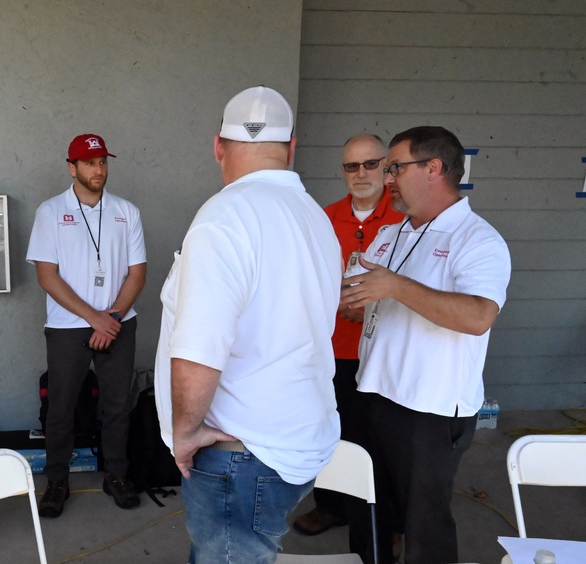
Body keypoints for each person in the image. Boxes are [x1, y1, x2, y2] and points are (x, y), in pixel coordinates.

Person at [154, 86, 343, 563]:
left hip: (240, 452)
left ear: (218, 145)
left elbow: (200, 346)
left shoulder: (224, 218)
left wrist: (186, 432)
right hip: (292, 442)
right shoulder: (315, 218)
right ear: (292, 147)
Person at [341, 126, 511, 563]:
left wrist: (395, 286)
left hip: (429, 409)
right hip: (375, 391)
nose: (388, 178)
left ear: (433, 168)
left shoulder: (477, 239)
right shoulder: (394, 233)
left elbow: (477, 317)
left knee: (424, 524)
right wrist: (352, 302)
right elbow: (369, 301)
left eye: (394, 167)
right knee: (371, 503)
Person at [26, 133, 147, 518]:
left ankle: (116, 475)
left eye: (103, 162)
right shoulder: (50, 211)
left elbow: (137, 274)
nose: (98, 169)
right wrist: (94, 317)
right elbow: (47, 275)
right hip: (68, 327)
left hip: (118, 324)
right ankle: (57, 481)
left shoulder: (126, 211)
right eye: (90, 162)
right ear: (72, 167)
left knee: (117, 406)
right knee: (61, 408)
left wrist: (111, 318)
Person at [293, 134, 404, 539]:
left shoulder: (404, 220)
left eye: (371, 164)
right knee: (329, 430)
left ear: (388, 168)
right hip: (331, 348)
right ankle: (330, 507)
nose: (361, 174)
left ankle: (382, 523)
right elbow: (305, 278)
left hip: (382, 352)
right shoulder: (324, 217)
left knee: (380, 440)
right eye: (351, 166)